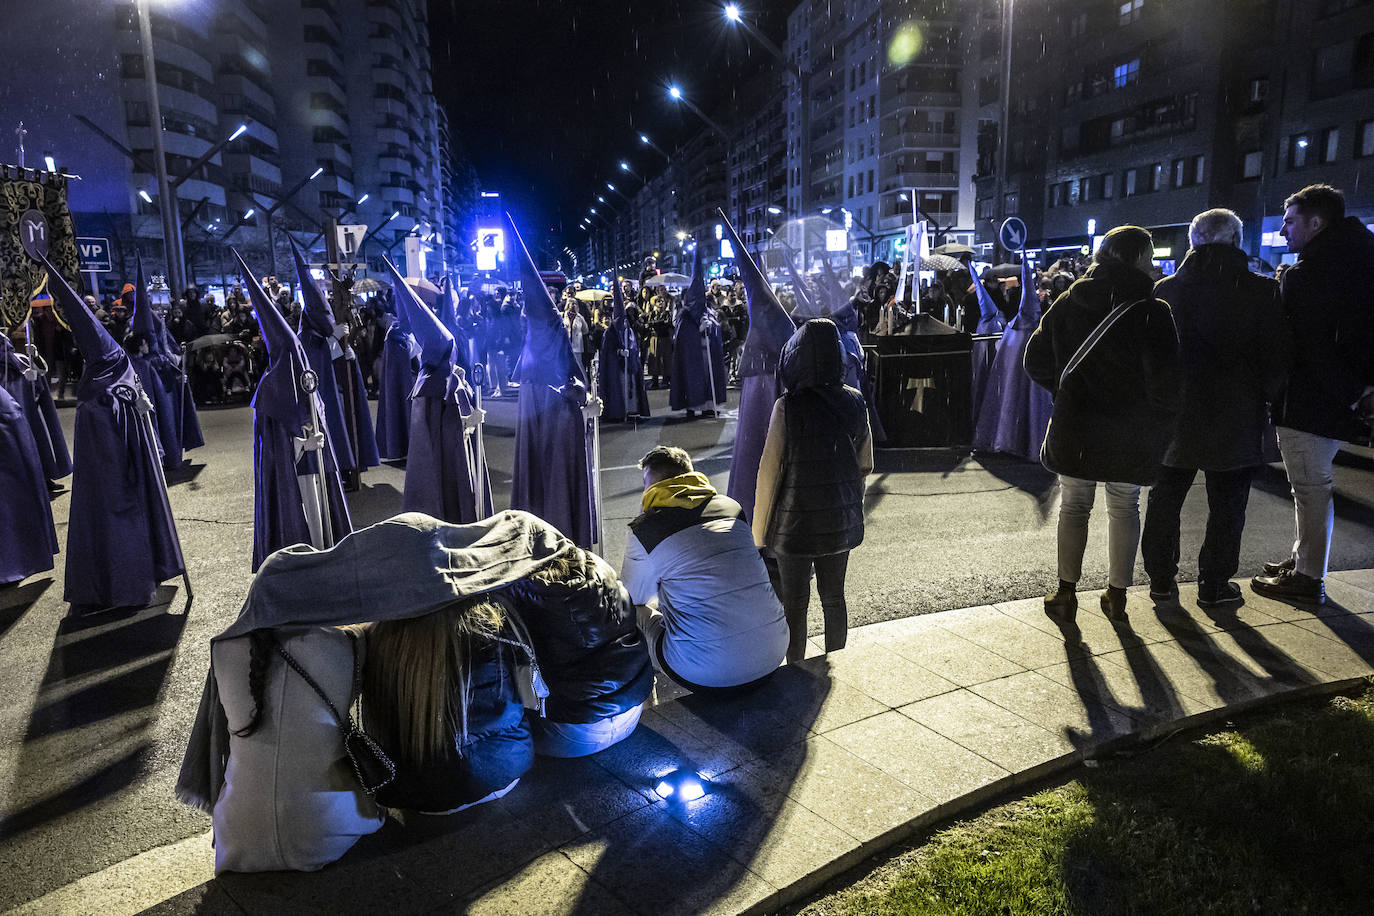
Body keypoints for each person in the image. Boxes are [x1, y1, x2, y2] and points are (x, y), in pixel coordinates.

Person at [1024, 226, 1181, 622]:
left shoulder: (1068, 300)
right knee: (1125, 507)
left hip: (1076, 425)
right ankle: (1117, 596)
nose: (1153, 264)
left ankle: (1065, 594)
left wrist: (1065, 391)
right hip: (1131, 430)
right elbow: (1167, 382)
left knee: (1074, 506)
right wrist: (1159, 422)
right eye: (1148, 256)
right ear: (1138, 259)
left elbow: (1034, 360)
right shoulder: (1152, 311)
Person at [1142, 210, 1290, 607]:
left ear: (1193, 243)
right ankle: (1213, 584)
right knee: (1228, 504)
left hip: (1176, 411)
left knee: (1164, 498)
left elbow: (1151, 356)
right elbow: (1276, 357)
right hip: (1236, 412)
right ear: (1236, 242)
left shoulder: (1167, 291)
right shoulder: (1261, 290)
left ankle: (1160, 579)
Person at [1252, 185, 1374, 604]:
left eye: (1290, 221)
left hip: (1310, 399)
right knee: (1311, 485)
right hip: (1345, 395)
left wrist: (1342, 391)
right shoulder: (1360, 260)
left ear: (1316, 223)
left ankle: (1307, 577)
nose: (1284, 231)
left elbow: (1302, 346)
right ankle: (1302, 559)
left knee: (1310, 486)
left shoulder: (1310, 276)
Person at [620, 446, 788, 692]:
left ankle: (643, 700)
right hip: (773, 653)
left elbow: (634, 598)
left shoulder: (646, 529)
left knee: (631, 612)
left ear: (653, 486)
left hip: (705, 673)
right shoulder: (732, 507)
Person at [752, 319, 872, 662]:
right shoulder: (855, 402)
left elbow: (769, 473)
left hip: (795, 526)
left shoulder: (788, 406)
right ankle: (838, 660)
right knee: (834, 597)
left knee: (795, 604)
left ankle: (797, 669)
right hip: (840, 520)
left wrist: (759, 535)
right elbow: (866, 464)